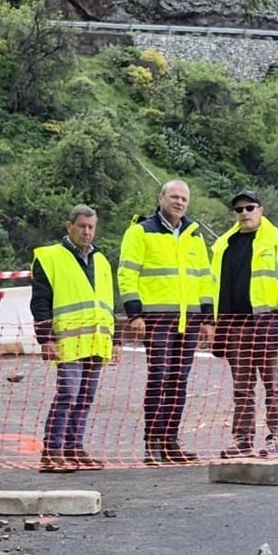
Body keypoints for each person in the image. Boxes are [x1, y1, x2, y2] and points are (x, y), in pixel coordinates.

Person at [118, 179, 212, 464]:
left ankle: (170, 441)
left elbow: (205, 279)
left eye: (184, 198)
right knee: (159, 378)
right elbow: (127, 273)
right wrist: (135, 314)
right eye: (174, 196)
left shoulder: (194, 236)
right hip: (157, 319)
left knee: (178, 381)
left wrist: (207, 318)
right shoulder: (140, 232)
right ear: (161, 198)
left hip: (189, 320)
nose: (179, 202)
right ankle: (152, 442)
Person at [209, 189, 278, 457]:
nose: (244, 213)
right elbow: (213, 285)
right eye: (239, 209)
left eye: (250, 208)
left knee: (274, 385)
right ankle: (242, 441)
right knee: (242, 389)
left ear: (261, 210)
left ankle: (277, 438)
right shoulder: (223, 246)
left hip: (269, 325)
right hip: (235, 327)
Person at [29, 204, 115, 473]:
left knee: (85, 397)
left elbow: (109, 303)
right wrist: (45, 338)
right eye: (82, 226)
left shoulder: (100, 260)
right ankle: (52, 451)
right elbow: (40, 302)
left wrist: (116, 341)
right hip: (67, 342)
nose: (87, 232)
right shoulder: (50, 257)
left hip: (96, 341)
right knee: (68, 395)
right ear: (69, 226)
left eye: (91, 227)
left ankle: (73, 448)